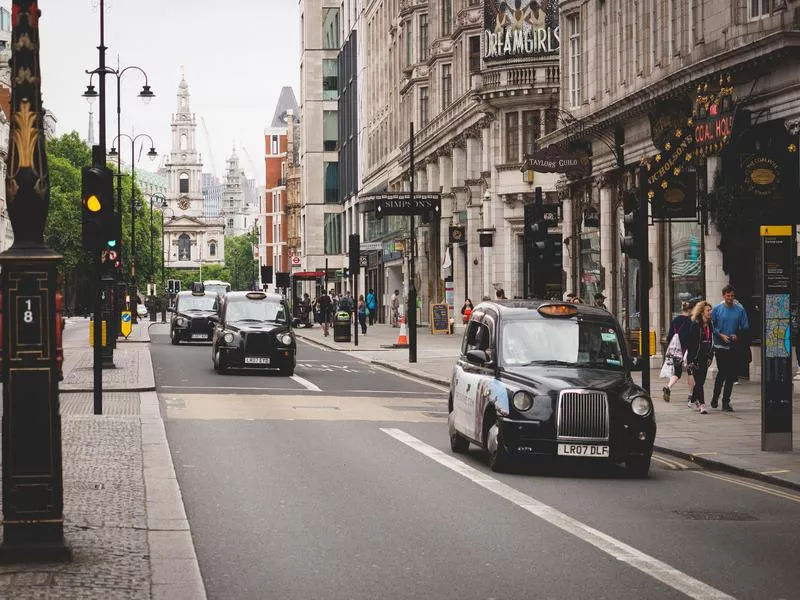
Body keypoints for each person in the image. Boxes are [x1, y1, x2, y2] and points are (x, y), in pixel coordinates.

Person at [711, 285, 750, 411]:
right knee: (722, 372)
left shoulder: (740, 310)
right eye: (728, 296)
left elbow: (745, 328)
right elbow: (712, 326)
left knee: (731, 375)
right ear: (723, 296)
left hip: (733, 346)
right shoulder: (717, 309)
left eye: (732, 296)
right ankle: (715, 397)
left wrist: (737, 335)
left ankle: (726, 402)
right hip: (720, 345)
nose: (730, 298)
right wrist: (720, 334)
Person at [685, 300, 715, 414]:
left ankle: (693, 399)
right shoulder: (696, 325)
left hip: (705, 357)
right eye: (708, 310)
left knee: (700, 382)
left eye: (710, 310)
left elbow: (712, 342)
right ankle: (702, 404)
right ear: (702, 312)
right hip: (696, 357)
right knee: (699, 381)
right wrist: (691, 360)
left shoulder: (711, 325)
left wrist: (711, 356)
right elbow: (691, 344)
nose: (710, 312)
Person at [662, 301, 693, 403]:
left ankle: (668, 387)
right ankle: (691, 394)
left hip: (675, 351)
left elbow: (670, 336)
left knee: (677, 372)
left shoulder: (675, 320)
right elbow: (690, 337)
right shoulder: (690, 321)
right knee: (690, 372)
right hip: (686, 350)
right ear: (690, 310)